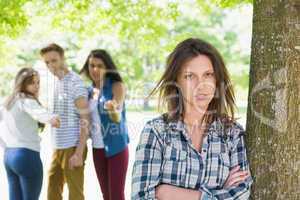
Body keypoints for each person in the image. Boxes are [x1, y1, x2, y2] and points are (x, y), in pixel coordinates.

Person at [131, 38, 253, 200]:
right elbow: (141, 197)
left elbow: (242, 193)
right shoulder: (157, 132)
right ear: (176, 82)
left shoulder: (232, 133)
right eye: (190, 76)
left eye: (208, 75)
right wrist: (220, 193)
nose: (200, 85)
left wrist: (170, 193)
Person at [0, 67, 60, 200]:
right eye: (32, 82)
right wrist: (52, 119)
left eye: (38, 82)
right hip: (27, 156)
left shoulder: (8, 102)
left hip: (9, 156)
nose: (37, 86)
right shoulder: (26, 100)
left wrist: (4, 145)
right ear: (22, 83)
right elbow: (40, 114)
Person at [40, 43, 90, 200]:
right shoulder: (58, 82)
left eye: (54, 60)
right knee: (52, 192)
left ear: (63, 58)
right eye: (47, 62)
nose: (50, 66)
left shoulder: (75, 83)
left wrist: (78, 153)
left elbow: (85, 119)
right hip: (58, 147)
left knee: (75, 195)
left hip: (73, 147)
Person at [80, 49, 129, 200]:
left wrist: (113, 108)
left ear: (107, 67)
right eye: (92, 65)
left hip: (117, 147)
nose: (95, 69)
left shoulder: (117, 86)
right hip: (97, 148)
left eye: (100, 65)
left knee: (116, 195)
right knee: (105, 194)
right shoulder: (88, 91)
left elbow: (117, 118)